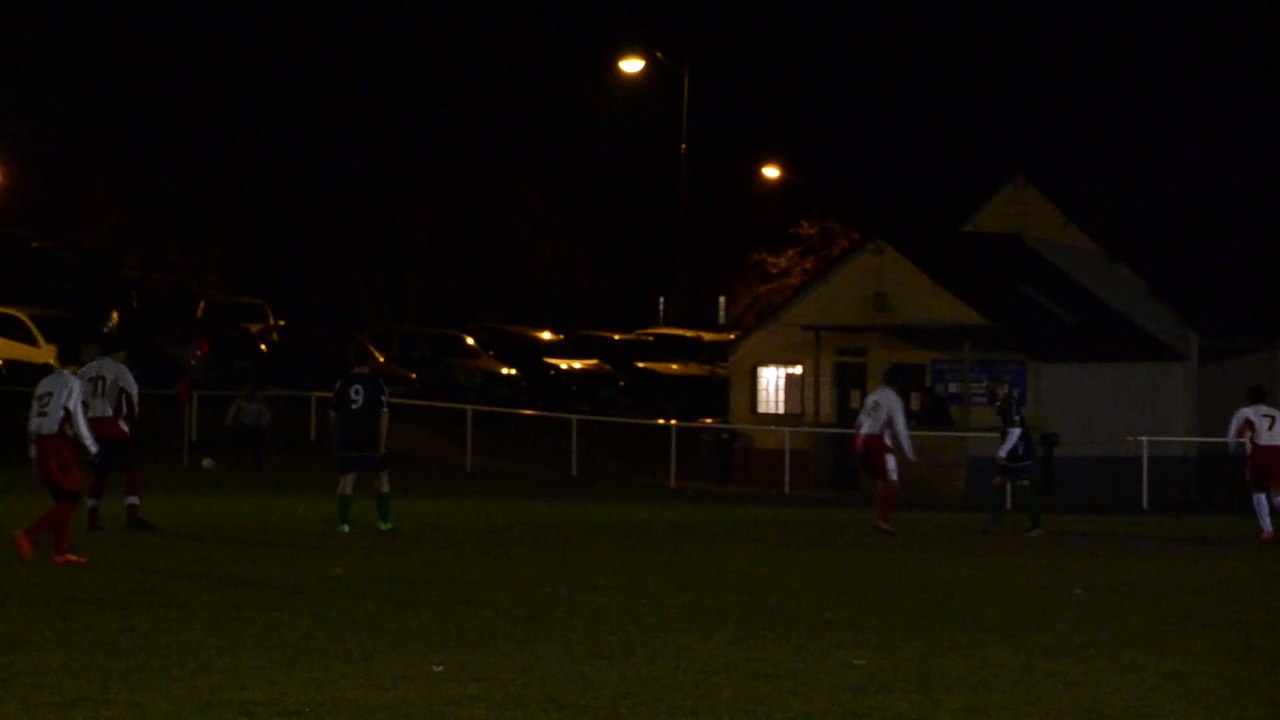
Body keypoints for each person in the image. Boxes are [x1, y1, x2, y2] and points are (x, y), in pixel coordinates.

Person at [12, 340, 99, 564]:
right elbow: (76, 417)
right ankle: (27, 534)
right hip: (58, 444)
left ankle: (60, 552)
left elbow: (33, 418)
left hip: (42, 442)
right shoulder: (71, 382)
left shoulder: (44, 382)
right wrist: (92, 448)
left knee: (62, 497)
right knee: (71, 497)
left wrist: (33, 452)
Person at [79, 336, 156, 531]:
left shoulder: (86, 370)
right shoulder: (120, 370)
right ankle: (132, 518)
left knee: (99, 473)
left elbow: (78, 400)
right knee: (131, 470)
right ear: (118, 352)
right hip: (112, 427)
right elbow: (130, 397)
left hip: (90, 428)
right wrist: (131, 423)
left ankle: (92, 520)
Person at [330, 344, 393, 533]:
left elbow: (334, 415)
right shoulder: (377, 383)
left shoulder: (343, 382)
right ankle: (383, 521)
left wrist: (336, 440)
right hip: (371, 436)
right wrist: (382, 443)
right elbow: (383, 414)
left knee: (347, 479)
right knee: (382, 477)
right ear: (370, 362)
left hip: (349, 436)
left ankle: (344, 523)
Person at [852, 366, 916, 534]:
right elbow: (900, 427)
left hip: (861, 440)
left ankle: (879, 517)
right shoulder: (893, 399)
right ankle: (882, 521)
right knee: (892, 483)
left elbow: (858, 423)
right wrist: (910, 454)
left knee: (882, 482)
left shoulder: (873, 395)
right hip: (876, 441)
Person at [986, 376, 1043, 536]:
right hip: (1014, 448)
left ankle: (1036, 525)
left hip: (1018, 450)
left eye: (994, 387)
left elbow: (1015, 430)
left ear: (1002, 388)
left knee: (1021, 484)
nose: (992, 391)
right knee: (1001, 482)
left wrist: (1002, 451)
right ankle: (995, 522)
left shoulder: (1009, 403)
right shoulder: (1004, 403)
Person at [1226, 384, 1280, 540]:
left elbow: (1232, 435)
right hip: (1278, 451)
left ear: (1248, 399)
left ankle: (1268, 530)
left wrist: (1231, 449)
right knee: (1277, 492)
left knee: (1258, 489)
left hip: (1259, 451)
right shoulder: (1276, 412)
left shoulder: (1244, 412)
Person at [224, 382, 272, 471]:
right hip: (243, 425)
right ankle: (238, 462)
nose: (247, 392)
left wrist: (263, 424)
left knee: (255, 446)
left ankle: (258, 465)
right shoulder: (240, 400)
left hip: (254, 427)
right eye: (246, 390)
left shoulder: (259, 402)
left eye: (249, 390)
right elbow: (232, 411)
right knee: (238, 444)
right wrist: (228, 423)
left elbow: (266, 414)